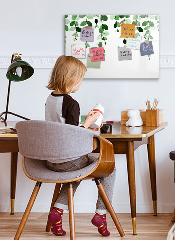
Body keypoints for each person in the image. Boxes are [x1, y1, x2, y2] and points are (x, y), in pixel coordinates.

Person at [45, 55, 115, 237]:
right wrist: (89, 123)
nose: (81, 83)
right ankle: (101, 214)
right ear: (71, 79)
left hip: (51, 160)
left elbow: (62, 128)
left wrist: (84, 123)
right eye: (81, 79)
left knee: (75, 172)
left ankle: (57, 212)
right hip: (68, 160)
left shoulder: (50, 99)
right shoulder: (71, 103)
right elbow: (72, 135)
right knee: (110, 168)